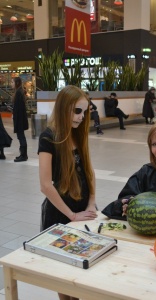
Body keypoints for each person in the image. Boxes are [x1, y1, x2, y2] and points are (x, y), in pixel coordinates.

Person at [38, 86, 98, 300]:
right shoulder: (48, 137)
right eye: (77, 111)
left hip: (84, 210)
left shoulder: (78, 133)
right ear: (64, 108)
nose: (82, 117)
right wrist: (71, 216)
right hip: (60, 214)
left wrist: (92, 203)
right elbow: (45, 185)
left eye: (85, 112)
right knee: (63, 276)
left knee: (82, 272)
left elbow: (89, 172)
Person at [12, 77, 29, 162]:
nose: (11, 84)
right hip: (20, 119)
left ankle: (24, 155)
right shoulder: (19, 92)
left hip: (20, 120)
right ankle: (23, 154)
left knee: (21, 137)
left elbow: (19, 109)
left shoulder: (19, 93)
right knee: (21, 136)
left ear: (17, 83)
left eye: (12, 82)